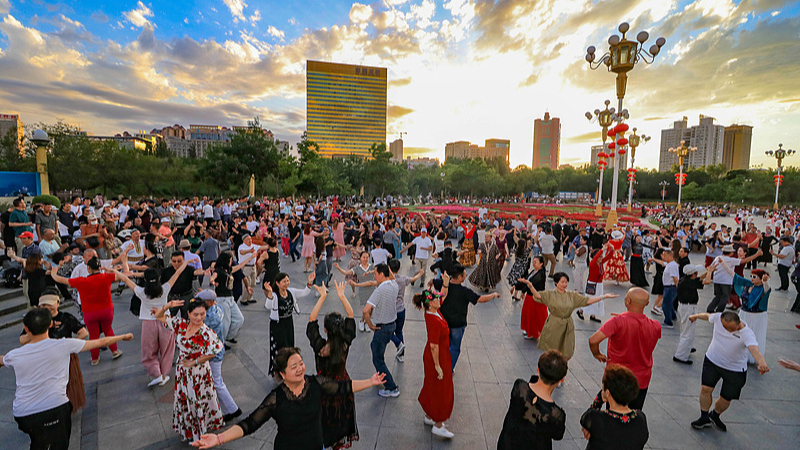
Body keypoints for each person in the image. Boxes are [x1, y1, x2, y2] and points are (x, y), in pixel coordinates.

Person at [189, 347, 386, 450]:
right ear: (282, 374)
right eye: (294, 366)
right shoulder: (276, 399)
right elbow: (249, 424)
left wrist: (370, 381)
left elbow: (343, 387)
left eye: (301, 363)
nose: (301, 368)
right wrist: (219, 438)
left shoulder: (316, 383)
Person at [2, 308, 133, 450]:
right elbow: (100, 342)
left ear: (26, 329)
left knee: (38, 440)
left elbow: (2, 360)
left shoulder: (15, 354)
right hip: (54, 408)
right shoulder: (64, 344)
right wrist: (123, 336)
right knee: (59, 444)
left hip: (23, 414)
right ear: (50, 325)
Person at [153, 299, 225, 442]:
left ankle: (199, 431)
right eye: (195, 314)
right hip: (182, 371)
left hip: (199, 372)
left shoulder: (206, 332)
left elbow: (215, 351)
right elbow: (159, 316)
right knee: (185, 399)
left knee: (197, 400)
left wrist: (194, 361)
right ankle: (188, 429)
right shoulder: (181, 325)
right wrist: (167, 306)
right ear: (188, 313)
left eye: (202, 314)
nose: (199, 318)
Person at [688, 311, 769, 432]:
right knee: (705, 389)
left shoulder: (747, 333)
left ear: (738, 324)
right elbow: (707, 316)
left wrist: (762, 363)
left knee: (726, 399)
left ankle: (715, 415)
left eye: (731, 329)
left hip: (735, 370)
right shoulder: (718, 318)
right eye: (725, 327)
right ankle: (704, 417)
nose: (727, 331)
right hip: (713, 361)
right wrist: (694, 316)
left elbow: (754, 350)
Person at [114, 260, 190, 387]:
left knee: (149, 351)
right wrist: (186, 262)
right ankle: (165, 374)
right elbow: (177, 274)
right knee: (167, 349)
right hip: (165, 321)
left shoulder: (142, 292)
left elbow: (126, 279)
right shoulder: (165, 289)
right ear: (159, 278)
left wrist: (114, 270)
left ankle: (157, 373)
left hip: (148, 323)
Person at [588, 288, 661, 410]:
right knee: (633, 414)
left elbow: (593, 340)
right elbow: (638, 329)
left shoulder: (617, 322)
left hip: (616, 379)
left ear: (627, 301)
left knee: (612, 414)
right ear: (647, 304)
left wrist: (597, 353)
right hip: (641, 380)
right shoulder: (656, 326)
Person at [307, 280, 358, 449]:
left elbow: (311, 319)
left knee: (325, 415)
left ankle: (324, 440)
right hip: (343, 383)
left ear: (325, 330)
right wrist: (342, 296)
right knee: (341, 414)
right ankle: (339, 442)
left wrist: (322, 297)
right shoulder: (345, 343)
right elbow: (351, 315)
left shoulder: (321, 347)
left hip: (323, 386)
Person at [19, 289, 89, 412]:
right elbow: (22, 339)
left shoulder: (66, 317)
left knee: (68, 384)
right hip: (43, 358)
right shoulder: (36, 320)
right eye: (43, 305)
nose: (47, 307)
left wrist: (70, 346)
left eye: (49, 304)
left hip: (65, 357)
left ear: (57, 303)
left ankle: (66, 407)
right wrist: (41, 328)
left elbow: (83, 332)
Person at [50, 256, 127, 366]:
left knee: (93, 335)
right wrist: (123, 262)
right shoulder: (107, 277)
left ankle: (95, 358)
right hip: (106, 310)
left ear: (89, 269)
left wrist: (54, 273)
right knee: (108, 330)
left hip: (89, 313)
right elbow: (125, 275)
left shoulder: (82, 281)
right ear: (99, 267)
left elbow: (61, 280)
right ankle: (114, 351)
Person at [524, 272, 618, 359]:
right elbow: (538, 296)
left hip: (567, 325)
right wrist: (531, 286)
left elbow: (587, 301)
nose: (565, 284)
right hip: (554, 324)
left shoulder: (572, 296)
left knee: (566, 350)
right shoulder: (550, 294)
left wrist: (603, 297)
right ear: (556, 283)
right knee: (551, 350)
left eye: (566, 282)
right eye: (562, 282)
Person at [497, 350, 568, 450]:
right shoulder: (556, 414)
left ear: (538, 369)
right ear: (562, 379)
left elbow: (531, 386)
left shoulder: (519, 387)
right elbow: (557, 435)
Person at [433, 263, 498, 370]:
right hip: (458, 324)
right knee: (455, 347)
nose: (466, 274)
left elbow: (432, 282)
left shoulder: (443, 285)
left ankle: (441, 364)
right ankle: (449, 368)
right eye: (464, 274)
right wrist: (493, 295)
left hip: (444, 323)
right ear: (459, 277)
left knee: (444, 345)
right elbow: (480, 299)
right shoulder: (465, 292)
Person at [412, 285, 455, 439]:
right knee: (441, 388)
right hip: (438, 358)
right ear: (430, 303)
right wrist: (438, 366)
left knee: (432, 385)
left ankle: (430, 415)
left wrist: (444, 284)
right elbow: (433, 346)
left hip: (438, 355)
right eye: (436, 298)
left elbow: (443, 296)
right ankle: (438, 424)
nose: (439, 300)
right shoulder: (434, 320)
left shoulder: (433, 311)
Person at [580, 364, 649, 450]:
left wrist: (600, 399)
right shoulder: (640, 418)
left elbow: (584, 419)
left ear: (608, 393)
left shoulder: (596, 418)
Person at [197, 289, 242, 423]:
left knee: (217, 382)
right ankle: (226, 409)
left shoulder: (210, 317)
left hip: (214, 354)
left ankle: (232, 409)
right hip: (217, 352)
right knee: (215, 382)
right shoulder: (217, 308)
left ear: (209, 302)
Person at [264, 272, 314, 377]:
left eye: (287, 280)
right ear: (277, 283)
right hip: (277, 325)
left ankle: (288, 368)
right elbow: (268, 306)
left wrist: (309, 283)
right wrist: (269, 294)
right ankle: (279, 371)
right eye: (284, 281)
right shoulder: (274, 295)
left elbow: (305, 292)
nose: (287, 283)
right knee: (280, 348)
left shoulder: (291, 292)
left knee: (289, 345)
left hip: (288, 323)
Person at [362, 263, 400, 397]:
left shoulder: (379, 290)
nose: (374, 275)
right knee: (374, 347)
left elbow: (365, 310)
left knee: (378, 358)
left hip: (381, 327)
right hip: (391, 325)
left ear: (381, 274)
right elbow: (392, 276)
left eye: (376, 273)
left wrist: (370, 325)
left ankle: (391, 387)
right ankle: (380, 374)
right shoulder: (394, 285)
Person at [209, 251, 255, 342]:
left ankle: (228, 337)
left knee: (239, 319)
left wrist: (250, 258)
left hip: (230, 298)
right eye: (230, 260)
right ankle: (221, 342)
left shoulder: (229, 270)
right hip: (222, 298)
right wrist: (213, 282)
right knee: (226, 322)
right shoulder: (219, 271)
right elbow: (212, 277)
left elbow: (240, 265)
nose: (231, 262)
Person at [673, 264, 715, 364]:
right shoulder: (689, 283)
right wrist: (709, 272)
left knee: (685, 330)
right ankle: (681, 355)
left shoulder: (685, 280)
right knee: (688, 332)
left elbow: (699, 279)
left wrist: (710, 270)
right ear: (693, 274)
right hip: (689, 308)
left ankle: (686, 348)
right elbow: (707, 281)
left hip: (684, 307)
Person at [388, 258, 424, 363]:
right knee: (399, 331)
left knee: (386, 330)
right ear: (399, 268)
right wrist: (420, 273)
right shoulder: (403, 279)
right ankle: (401, 355)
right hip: (401, 310)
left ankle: (398, 344)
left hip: (391, 311)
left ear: (389, 268)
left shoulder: (387, 280)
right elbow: (413, 279)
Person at [333, 252, 374, 332]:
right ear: (360, 258)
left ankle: (365, 321)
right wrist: (338, 268)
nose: (365, 259)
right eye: (364, 257)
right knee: (366, 309)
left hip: (372, 289)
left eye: (367, 257)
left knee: (371, 308)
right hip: (363, 289)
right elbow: (346, 272)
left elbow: (377, 271)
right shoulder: (357, 268)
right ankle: (364, 322)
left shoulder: (372, 266)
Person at [578, 245, 613, 323]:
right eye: (599, 257)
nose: (601, 258)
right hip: (592, 284)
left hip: (599, 285)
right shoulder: (592, 264)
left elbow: (609, 257)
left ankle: (593, 315)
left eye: (601, 257)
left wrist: (612, 249)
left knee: (598, 299)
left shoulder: (600, 263)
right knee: (590, 299)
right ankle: (581, 311)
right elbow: (596, 258)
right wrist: (602, 249)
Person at [519, 256, 548, 340]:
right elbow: (528, 282)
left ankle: (533, 332)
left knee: (535, 316)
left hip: (536, 297)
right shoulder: (534, 271)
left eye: (536, 262)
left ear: (541, 264)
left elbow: (531, 283)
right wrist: (523, 290)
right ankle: (528, 330)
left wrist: (524, 286)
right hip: (529, 296)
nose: (534, 263)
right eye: (533, 262)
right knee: (528, 314)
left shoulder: (541, 274)